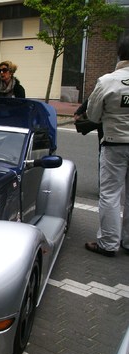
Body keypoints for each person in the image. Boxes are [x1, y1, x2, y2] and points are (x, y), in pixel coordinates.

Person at [84, 36, 129, 257]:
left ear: (119, 54)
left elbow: (93, 115)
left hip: (114, 144)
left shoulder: (107, 81)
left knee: (110, 194)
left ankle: (109, 243)